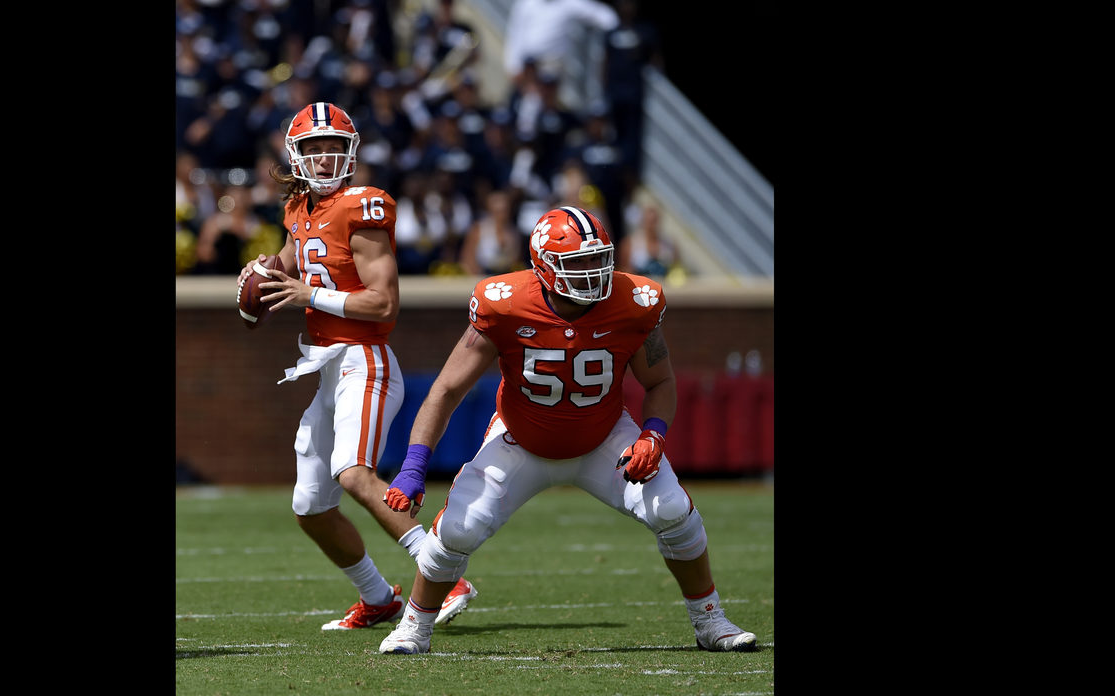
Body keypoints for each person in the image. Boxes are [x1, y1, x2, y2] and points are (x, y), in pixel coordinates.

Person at [375, 206, 757, 655]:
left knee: (671, 509)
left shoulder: (635, 301)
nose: (593, 274)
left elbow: (660, 382)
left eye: (600, 260)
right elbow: (446, 390)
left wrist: (652, 434)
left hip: (604, 437)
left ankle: (710, 621)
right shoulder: (506, 303)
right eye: (577, 264)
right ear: (542, 266)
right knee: (459, 527)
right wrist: (414, 464)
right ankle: (414, 628)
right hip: (521, 440)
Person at [237, 101, 477, 631]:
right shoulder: (298, 208)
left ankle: (442, 571)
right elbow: (294, 259)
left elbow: (383, 303)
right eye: (314, 149)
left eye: (334, 149)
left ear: (350, 153)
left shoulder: (364, 206)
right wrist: (262, 276)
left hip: (364, 359)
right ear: (295, 156)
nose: (324, 159)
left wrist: (309, 294)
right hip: (327, 366)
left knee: (353, 472)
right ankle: (378, 597)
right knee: (309, 505)